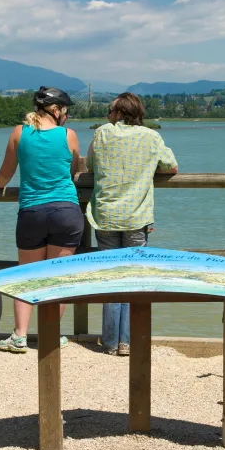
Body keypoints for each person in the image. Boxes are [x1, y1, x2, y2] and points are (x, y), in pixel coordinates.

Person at [0, 86, 83, 353]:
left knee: (26, 275)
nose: (66, 117)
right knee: (57, 276)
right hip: (66, 211)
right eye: (65, 112)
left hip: (32, 211)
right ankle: (51, 335)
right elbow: (73, 170)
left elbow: (5, 175)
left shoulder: (19, 133)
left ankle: (19, 336)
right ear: (55, 111)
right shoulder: (69, 136)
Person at [86, 92, 178, 356]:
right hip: (137, 216)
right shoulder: (151, 137)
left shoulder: (102, 133)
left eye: (110, 111)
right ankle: (128, 341)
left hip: (106, 215)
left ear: (118, 113)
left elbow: (91, 164)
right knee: (134, 278)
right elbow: (171, 166)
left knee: (112, 278)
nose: (108, 116)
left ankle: (111, 341)